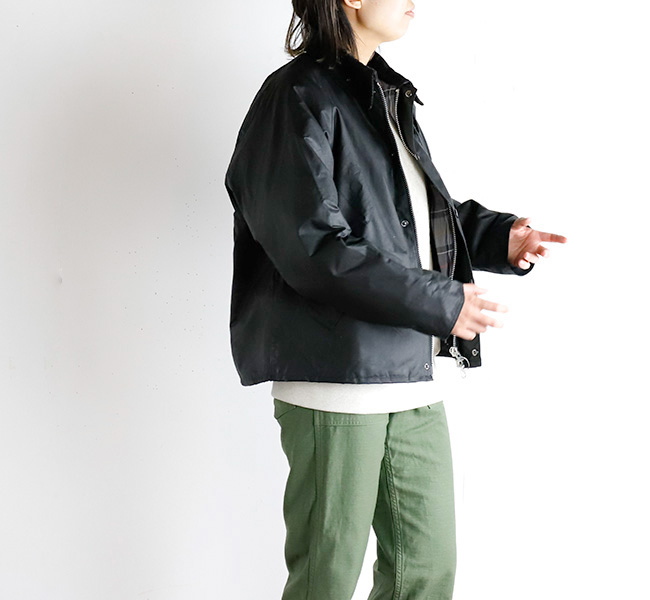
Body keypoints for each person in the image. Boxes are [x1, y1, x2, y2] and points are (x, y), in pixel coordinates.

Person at [224, 0, 567, 598]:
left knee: (427, 572)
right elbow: (313, 248)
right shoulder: (295, 97)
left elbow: (408, 219)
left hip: (410, 374)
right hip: (334, 377)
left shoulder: (384, 93)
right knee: (327, 579)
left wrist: (499, 237)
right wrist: (442, 303)